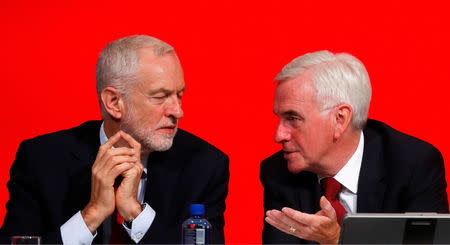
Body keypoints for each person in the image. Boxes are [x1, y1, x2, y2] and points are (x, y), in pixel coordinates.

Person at [0, 35, 229, 244]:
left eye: (179, 95)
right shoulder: (42, 159)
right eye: (160, 97)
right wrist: (92, 215)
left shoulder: (204, 165)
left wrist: (135, 214)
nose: (177, 111)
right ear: (114, 102)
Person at [260, 51, 448, 244]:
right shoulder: (278, 172)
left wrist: (336, 240)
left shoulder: (413, 165)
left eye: (293, 118)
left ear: (340, 119)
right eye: (279, 118)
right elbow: (287, 232)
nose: (279, 135)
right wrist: (297, 230)